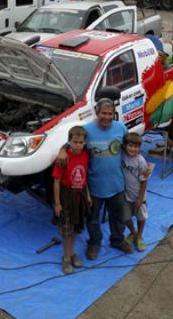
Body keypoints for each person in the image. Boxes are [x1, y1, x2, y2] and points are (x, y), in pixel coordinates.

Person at [55, 98, 134, 260]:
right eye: (103, 113)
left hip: (116, 184)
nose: (107, 117)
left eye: (110, 113)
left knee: (118, 216)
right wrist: (62, 150)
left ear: (114, 114)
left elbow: (131, 147)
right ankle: (94, 243)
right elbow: (71, 143)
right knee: (92, 219)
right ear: (97, 113)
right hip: (93, 187)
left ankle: (117, 240)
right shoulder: (87, 130)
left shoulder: (121, 128)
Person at [52, 125, 91, 275]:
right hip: (66, 197)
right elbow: (56, 181)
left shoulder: (86, 155)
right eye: (75, 142)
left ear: (85, 142)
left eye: (81, 142)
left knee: (75, 228)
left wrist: (87, 195)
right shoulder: (63, 158)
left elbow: (85, 177)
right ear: (69, 141)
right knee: (66, 230)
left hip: (79, 196)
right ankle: (66, 258)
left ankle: (72, 253)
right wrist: (57, 203)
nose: (78, 145)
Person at [121, 132, 150, 252]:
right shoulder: (122, 155)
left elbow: (144, 181)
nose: (133, 149)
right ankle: (133, 232)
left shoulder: (141, 161)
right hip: (125, 195)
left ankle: (139, 236)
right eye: (131, 146)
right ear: (125, 146)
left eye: (136, 146)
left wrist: (140, 198)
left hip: (138, 196)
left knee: (141, 217)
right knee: (125, 217)